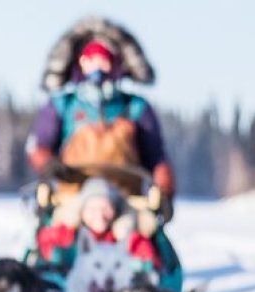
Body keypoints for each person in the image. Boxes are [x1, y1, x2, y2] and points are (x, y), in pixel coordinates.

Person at [26, 29, 176, 222]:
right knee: (49, 239)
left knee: (152, 239)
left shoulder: (135, 107)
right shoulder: (64, 104)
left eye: (102, 60)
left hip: (127, 200)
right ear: (81, 63)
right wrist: (48, 164)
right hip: (72, 197)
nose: (97, 67)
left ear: (115, 63)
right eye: (90, 60)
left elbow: (157, 158)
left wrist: (165, 192)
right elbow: (39, 147)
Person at [37, 177, 160, 274]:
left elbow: (148, 262)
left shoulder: (127, 238)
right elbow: (44, 243)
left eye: (105, 208)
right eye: (92, 209)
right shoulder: (68, 233)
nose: (99, 215)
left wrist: (137, 265)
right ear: (81, 212)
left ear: (115, 210)